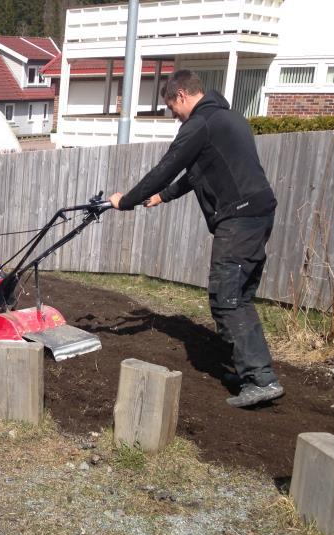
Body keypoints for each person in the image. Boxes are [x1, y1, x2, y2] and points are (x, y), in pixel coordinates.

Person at [109, 69, 283, 408]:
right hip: (258, 213)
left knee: (226, 298)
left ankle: (262, 380)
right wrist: (164, 197)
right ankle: (253, 374)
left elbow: (166, 167)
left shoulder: (198, 125)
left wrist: (125, 201)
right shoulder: (227, 119)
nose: (174, 116)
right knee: (240, 297)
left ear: (181, 96)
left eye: (172, 108)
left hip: (240, 217)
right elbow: (197, 173)